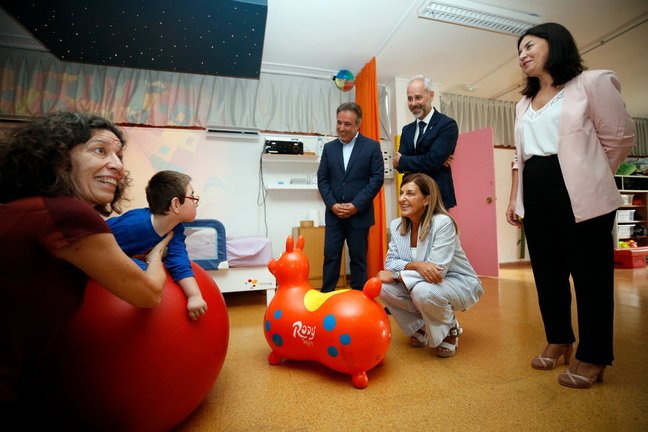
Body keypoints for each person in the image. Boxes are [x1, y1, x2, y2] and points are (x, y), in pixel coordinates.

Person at [0, 112, 173, 426]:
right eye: (100, 151)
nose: (118, 166)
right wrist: (156, 258)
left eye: (119, 156)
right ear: (58, 159)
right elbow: (148, 294)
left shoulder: (29, 207)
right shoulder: (68, 214)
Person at [505, 23, 635, 389]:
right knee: (547, 274)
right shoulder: (523, 103)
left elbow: (620, 136)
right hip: (536, 189)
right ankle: (559, 338)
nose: (522, 54)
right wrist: (517, 198)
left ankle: (594, 355)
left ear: (555, 44)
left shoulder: (591, 83)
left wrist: (591, 175)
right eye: (519, 51)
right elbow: (520, 157)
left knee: (590, 278)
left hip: (580, 192)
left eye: (529, 45)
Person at [378, 173, 483, 358]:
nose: (402, 198)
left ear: (426, 200)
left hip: (458, 282)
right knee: (383, 288)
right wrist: (417, 265)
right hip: (423, 281)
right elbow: (390, 262)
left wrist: (396, 275)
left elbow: (437, 270)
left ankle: (450, 329)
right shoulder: (396, 226)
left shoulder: (443, 223)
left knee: (422, 291)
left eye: (410, 194)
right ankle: (419, 328)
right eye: (402, 193)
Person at [107, 170, 208, 321]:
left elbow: (178, 260)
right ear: (176, 205)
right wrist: (147, 267)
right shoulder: (134, 225)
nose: (196, 201)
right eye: (192, 196)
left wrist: (194, 296)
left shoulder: (176, 228)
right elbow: (105, 253)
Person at [317, 102, 384, 292]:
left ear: (357, 125)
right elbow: (322, 179)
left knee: (358, 259)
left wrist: (356, 205)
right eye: (339, 123)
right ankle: (326, 297)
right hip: (334, 215)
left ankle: (359, 300)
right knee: (331, 257)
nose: (341, 128)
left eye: (347, 124)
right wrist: (332, 205)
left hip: (359, 215)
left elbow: (376, 179)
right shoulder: (329, 149)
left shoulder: (371, 147)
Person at [393, 75, 459, 209]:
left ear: (431, 95)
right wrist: (432, 160)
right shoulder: (407, 130)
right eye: (409, 98)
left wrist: (404, 160)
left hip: (437, 198)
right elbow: (398, 165)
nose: (413, 103)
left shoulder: (447, 125)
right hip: (411, 199)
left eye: (418, 97)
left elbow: (432, 162)